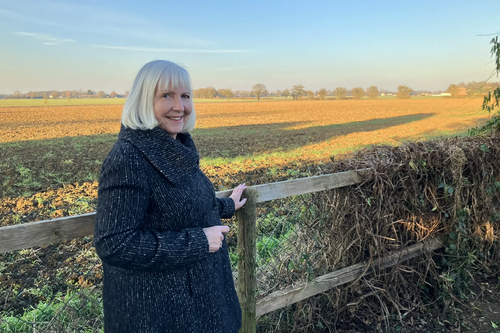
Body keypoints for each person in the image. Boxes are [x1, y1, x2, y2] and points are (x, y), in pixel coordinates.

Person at [94, 60, 247, 333]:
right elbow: (114, 243)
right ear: (143, 100)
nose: (180, 106)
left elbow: (185, 203)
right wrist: (198, 242)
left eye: (185, 96)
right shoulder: (128, 158)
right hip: (159, 313)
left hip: (199, 301)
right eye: (167, 95)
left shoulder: (176, 146)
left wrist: (227, 205)